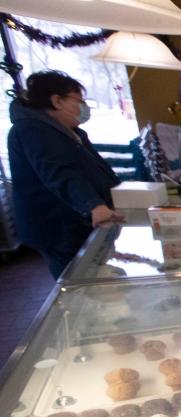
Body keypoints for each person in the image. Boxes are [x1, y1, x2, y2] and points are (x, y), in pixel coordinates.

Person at [8, 70, 123, 278]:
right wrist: (93, 205)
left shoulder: (71, 131)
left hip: (80, 221)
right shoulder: (32, 129)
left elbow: (97, 168)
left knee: (94, 272)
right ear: (57, 101)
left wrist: (118, 193)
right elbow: (59, 173)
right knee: (75, 280)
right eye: (78, 100)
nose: (83, 107)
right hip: (59, 228)